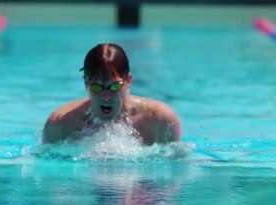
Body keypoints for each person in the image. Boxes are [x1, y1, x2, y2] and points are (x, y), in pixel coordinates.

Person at [42, 43, 181, 145]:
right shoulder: (59, 125)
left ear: (129, 81)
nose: (106, 95)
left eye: (114, 86)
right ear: (86, 84)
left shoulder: (160, 121)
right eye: (97, 87)